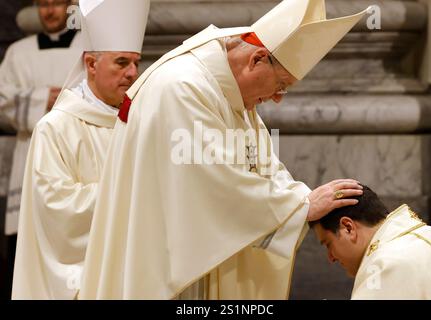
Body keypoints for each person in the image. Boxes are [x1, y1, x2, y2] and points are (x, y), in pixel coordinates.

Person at [79, 0, 369, 299]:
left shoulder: (230, 93)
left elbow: (263, 166)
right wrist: (301, 207)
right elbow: (213, 185)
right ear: (256, 59)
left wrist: (302, 199)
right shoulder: (182, 87)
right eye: (281, 84)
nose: (278, 98)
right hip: (166, 269)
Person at [11, 0, 150, 299]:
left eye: (136, 63)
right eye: (122, 63)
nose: (132, 73)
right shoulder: (56, 128)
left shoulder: (138, 125)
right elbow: (56, 210)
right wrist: (132, 192)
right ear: (90, 64)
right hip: (81, 281)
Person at [0, 0, 82, 236]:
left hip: (72, 147)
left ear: (69, 5)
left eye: (56, 3)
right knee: (30, 234)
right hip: (29, 148)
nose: (49, 11)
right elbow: (2, 96)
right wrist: (41, 98)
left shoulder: (88, 47)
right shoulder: (19, 51)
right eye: (43, 4)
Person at [310, 185, 431, 299]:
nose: (330, 257)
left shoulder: (386, 264)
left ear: (348, 227)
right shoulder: (421, 235)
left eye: (328, 244)